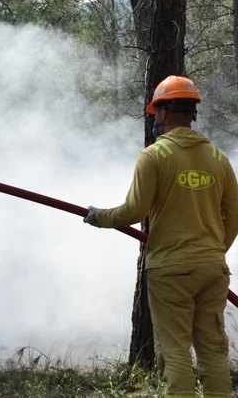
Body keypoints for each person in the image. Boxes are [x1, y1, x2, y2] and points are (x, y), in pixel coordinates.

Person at [84, 75, 238, 397]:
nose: (154, 119)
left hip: (170, 272)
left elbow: (134, 212)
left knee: (175, 353)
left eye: (155, 113)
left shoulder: (154, 157)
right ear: (191, 113)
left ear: (164, 113)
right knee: (213, 353)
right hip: (213, 270)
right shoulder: (219, 160)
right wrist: (211, 252)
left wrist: (99, 217)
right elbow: (234, 217)